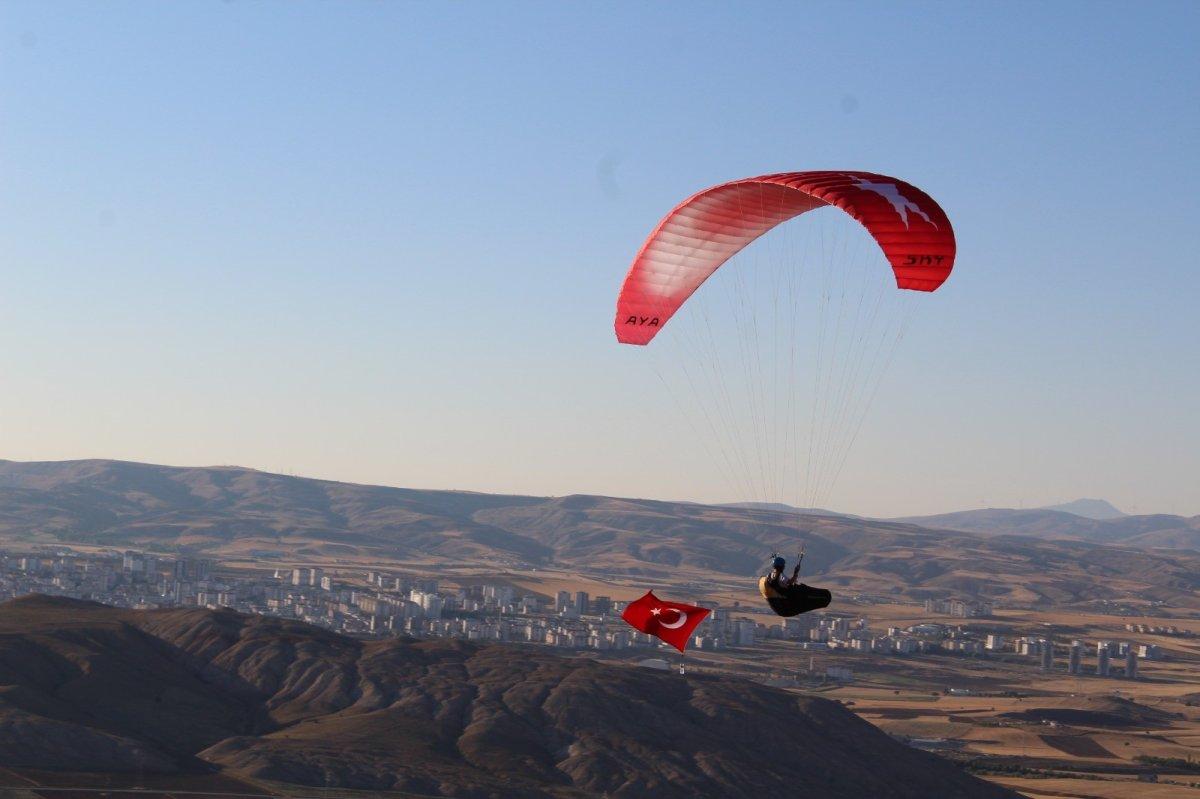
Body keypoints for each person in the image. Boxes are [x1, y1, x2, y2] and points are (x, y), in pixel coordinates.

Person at [758, 553, 832, 618]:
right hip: (788, 606)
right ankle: (824, 599)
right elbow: (790, 583)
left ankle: (824, 599)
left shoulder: (770, 576)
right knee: (801, 589)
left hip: (780, 608)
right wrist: (796, 573)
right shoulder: (780, 576)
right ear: (782, 566)